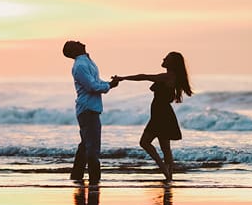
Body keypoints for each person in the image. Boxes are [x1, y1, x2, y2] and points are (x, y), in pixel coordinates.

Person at [114, 51, 192, 181]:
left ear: (172, 63)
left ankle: (164, 169)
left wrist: (123, 78)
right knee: (165, 148)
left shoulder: (167, 76)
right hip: (162, 113)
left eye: (167, 58)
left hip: (161, 114)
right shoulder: (171, 76)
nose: (163, 59)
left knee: (145, 142)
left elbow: (144, 76)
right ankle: (169, 177)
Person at [63, 40, 119, 184]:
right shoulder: (80, 65)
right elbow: (92, 86)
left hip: (89, 108)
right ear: (73, 51)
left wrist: (109, 84)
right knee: (93, 147)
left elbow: (96, 82)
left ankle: (77, 176)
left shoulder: (86, 62)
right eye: (74, 43)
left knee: (85, 145)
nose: (78, 42)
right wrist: (109, 86)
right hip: (88, 109)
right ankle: (94, 180)